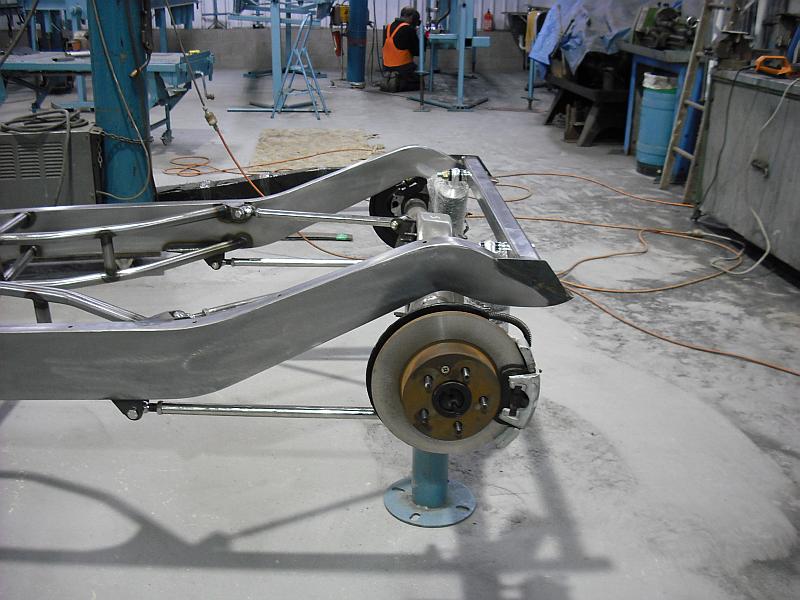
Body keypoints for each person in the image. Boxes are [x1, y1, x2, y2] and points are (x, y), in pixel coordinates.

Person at [381, 7, 421, 92]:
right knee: (419, 82)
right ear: (411, 17)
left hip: (386, 66)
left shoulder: (388, 27)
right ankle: (398, 83)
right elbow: (417, 51)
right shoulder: (408, 29)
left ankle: (389, 77)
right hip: (403, 67)